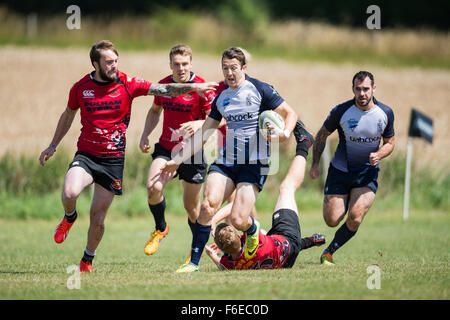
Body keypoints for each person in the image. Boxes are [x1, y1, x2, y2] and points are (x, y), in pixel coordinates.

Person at [38, 40, 217, 273]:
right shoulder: (81, 88)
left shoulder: (128, 83)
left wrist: (195, 92)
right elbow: (69, 114)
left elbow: (197, 110)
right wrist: (52, 145)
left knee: (188, 209)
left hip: (148, 157)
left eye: (115, 61)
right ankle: (73, 217)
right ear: (96, 64)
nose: (114, 66)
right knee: (77, 192)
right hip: (108, 152)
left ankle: (88, 261)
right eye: (108, 62)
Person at [161, 47, 298, 273]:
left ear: (244, 68)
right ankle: (193, 263)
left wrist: (285, 133)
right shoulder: (221, 96)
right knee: (207, 206)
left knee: (238, 219)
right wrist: (179, 159)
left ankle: (253, 230)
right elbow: (205, 132)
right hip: (227, 161)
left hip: (255, 163)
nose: (229, 73)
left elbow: (290, 113)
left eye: (233, 68)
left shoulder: (260, 89)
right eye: (225, 69)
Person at [205, 125, 325, 270]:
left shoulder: (231, 264)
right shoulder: (253, 240)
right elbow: (236, 208)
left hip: (284, 261)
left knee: (270, 236)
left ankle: (311, 240)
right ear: (237, 236)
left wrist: (213, 256)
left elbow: (223, 266)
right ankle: (304, 143)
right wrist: (214, 220)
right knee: (286, 188)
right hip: (287, 240)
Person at [309, 71, 395, 265]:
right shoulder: (342, 111)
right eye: (358, 89)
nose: (362, 93)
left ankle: (329, 252)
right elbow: (322, 135)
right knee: (332, 220)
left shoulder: (385, 113)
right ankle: (343, 201)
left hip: (366, 174)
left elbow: (390, 142)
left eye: (366, 89)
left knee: (355, 218)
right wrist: (314, 163)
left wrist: (379, 153)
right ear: (353, 89)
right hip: (340, 172)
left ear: (373, 88)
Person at [138, 45, 215, 261]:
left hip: (194, 152)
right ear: (170, 64)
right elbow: (155, 111)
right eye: (176, 64)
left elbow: (214, 121)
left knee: (192, 208)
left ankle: (196, 250)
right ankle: (161, 228)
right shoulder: (164, 86)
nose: (181, 68)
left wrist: (199, 122)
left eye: (184, 64)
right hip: (166, 148)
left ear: (191, 63)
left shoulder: (202, 88)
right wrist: (145, 134)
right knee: (153, 188)